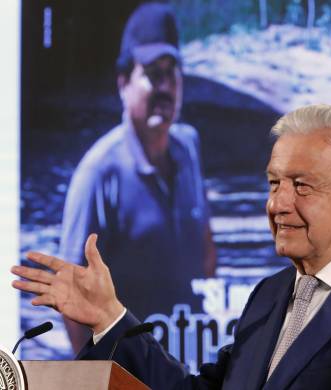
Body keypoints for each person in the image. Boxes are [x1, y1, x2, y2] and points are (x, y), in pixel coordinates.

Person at [13, 105, 331, 389]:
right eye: (273, 183)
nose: (277, 203)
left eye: (301, 185)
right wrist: (110, 319)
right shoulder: (270, 296)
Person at [57, 2, 217, 351]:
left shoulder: (188, 149)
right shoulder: (99, 173)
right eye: (152, 74)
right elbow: (71, 290)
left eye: (171, 73)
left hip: (185, 354)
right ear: (123, 83)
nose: (164, 87)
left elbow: (205, 246)